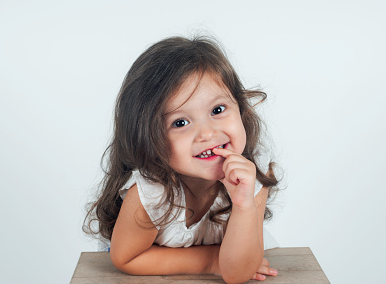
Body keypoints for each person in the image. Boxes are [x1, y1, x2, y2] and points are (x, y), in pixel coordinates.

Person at [84, 36, 280, 283]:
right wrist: (210, 261)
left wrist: (243, 206)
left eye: (218, 110)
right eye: (180, 122)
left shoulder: (251, 175)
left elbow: (237, 273)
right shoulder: (151, 190)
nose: (207, 133)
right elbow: (126, 258)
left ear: (240, 108)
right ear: (149, 138)